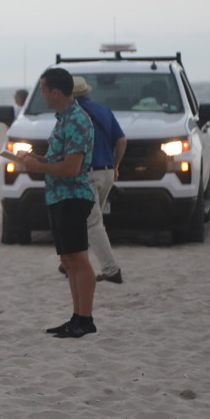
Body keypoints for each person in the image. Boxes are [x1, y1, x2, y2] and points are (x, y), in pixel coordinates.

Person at [17, 68, 98, 339]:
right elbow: (59, 159)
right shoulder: (63, 119)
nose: (41, 94)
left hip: (72, 196)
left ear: (55, 92)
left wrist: (37, 167)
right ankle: (77, 316)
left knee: (79, 258)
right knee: (68, 259)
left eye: (43, 90)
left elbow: (72, 168)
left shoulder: (76, 119)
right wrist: (34, 159)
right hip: (58, 196)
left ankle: (85, 319)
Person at [74, 75, 126, 284]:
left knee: (92, 222)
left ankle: (111, 269)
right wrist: (116, 165)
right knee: (86, 219)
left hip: (86, 173)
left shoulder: (72, 114)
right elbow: (121, 140)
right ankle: (70, 258)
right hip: (106, 172)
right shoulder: (104, 110)